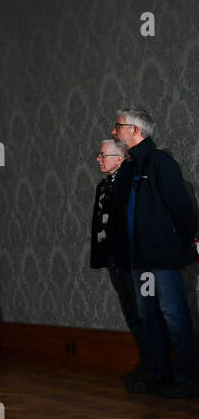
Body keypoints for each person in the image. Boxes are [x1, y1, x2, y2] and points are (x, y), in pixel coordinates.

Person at [111, 108, 197, 397]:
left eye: (118, 126)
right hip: (139, 263)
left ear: (135, 131)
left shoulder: (161, 163)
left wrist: (183, 245)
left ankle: (188, 380)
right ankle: (157, 376)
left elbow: (181, 209)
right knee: (149, 318)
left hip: (161, 260)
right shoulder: (128, 167)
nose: (114, 131)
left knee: (175, 317)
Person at [90, 138, 144, 382]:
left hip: (131, 257)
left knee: (143, 311)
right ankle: (145, 362)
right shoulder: (104, 186)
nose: (98, 159)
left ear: (119, 159)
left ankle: (157, 366)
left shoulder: (130, 183)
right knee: (130, 310)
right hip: (112, 256)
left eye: (103, 155)